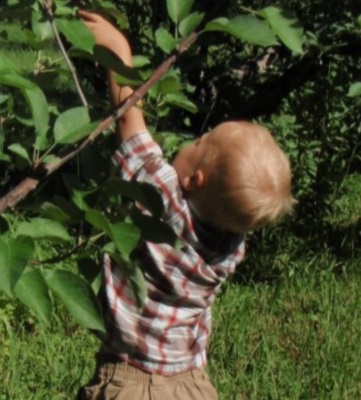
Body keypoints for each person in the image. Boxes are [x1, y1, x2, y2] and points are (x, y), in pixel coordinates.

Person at [77, 10, 296, 400]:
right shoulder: (231, 246)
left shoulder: (160, 198)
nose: (190, 142)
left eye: (200, 143)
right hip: (191, 386)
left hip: (131, 383)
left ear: (195, 180)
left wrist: (118, 50)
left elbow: (130, 123)